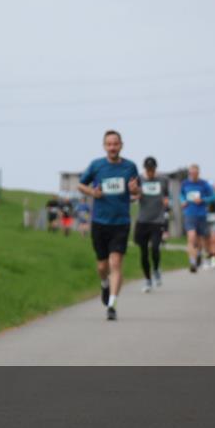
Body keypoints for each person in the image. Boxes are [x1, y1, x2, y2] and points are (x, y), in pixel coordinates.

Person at [77, 130, 141, 320]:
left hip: (121, 222)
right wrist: (92, 192)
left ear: (121, 145)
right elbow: (81, 185)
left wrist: (134, 189)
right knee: (102, 266)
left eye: (115, 144)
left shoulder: (130, 167)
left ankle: (112, 305)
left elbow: (137, 191)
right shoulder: (96, 166)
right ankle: (104, 283)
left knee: (116, 262)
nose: (112, 147)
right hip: (100, 222)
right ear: (105, 146)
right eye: (109, 144)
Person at [134, 156, 169, 292]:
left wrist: (167, 202)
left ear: (155, 169)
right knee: (143, 252)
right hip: (143, 220)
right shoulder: (139, 179)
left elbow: (167, 196)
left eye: (152, 170)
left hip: (157, 220)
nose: (150, 172)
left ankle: (156, 269)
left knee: (155, 248)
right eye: (148, 170)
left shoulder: (163, 180)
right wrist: (136, 195)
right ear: (144, 169)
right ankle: (148, 280)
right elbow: (133, 194)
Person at [180, 164, 215, 272]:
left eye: (195, 173)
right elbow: (181, 194)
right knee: (191, 237)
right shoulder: (185, 183)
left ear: (198, 173)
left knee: (200, 240)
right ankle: (192, 262)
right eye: (191, 173)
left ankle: (199, 254)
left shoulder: (204, 184)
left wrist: (203, 200)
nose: (193, 175)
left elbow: (213, 197)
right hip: (189, 214)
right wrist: (182, 201)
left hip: (201, 214)